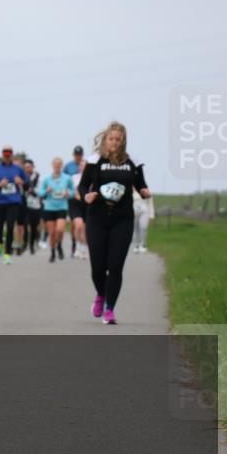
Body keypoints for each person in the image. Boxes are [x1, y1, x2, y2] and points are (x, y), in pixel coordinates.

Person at [79, 121, 151, 324]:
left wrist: (144, 191)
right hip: (97, 218)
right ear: (105, 140)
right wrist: (86, 196)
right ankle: (101, 295)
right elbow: (83, 186)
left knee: (116, 266)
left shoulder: (133, 163)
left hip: (122, 219)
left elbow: (141, 184)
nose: (115, 143)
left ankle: (110, 309)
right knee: (98, 267)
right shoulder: (95, 161)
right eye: (111, 139)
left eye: (118, 140)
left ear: (123, 141)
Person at [0, 145, 27, 265]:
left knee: (11, 226)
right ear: (2, 155)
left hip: (13, 202)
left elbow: (28, 184)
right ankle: (0, 242)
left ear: (11, 155)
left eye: (9, 154)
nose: (7, 156)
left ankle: (7, 253)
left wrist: (20, 182)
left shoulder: (18, 169)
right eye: (5, 154)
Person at [38, 157, 75, 263]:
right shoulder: (47, 179)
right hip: (49, 207)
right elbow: (40, 193)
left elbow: (73, 191)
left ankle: (59, 245)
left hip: (62, 207)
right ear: (52, 166)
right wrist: (46, 191)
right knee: (52, 233)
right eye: (55, 165)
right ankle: (53, 252)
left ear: (61, 166)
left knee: (59, 230)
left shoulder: (67, 178)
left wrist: (69, 194)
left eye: (59, 165)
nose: (57, 167)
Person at [64, 145, 88, 260]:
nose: (82, 167)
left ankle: (83, 248)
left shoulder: (91, 178)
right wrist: (74, 194)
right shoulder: (73, 176)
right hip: (74, 203)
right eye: (81, 166)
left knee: (84, 227)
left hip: (86, 204)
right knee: (78, 225)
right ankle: (77, 247)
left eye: (85, 166)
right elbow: (68, 188)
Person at [22, 159, 42, 255]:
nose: (27, 169)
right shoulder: (22, 177)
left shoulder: (38, 177)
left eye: (29, 167)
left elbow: (40, 190)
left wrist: (32, 191)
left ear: (33, 167)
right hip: (24, 204)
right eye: (25, 167)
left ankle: (32, 245)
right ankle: (25, 243)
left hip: (35, 205)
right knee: (25, 224)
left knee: (34, 226)